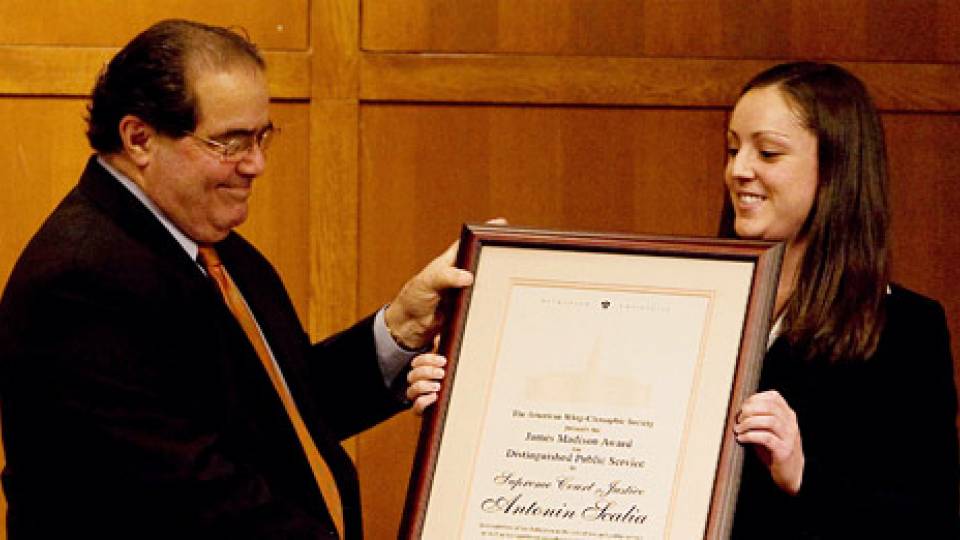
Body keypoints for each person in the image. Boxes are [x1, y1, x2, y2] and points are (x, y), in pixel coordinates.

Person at [0, 19, 467, 540]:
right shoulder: (80, 281)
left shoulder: (209, 244)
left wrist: (402, 325)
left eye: (262, 136)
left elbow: (283, 417)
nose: (257, 164)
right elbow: (191, 497)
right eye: (230, 143)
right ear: (139, 138)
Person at [722, 62, 959, 538]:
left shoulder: (906, 329)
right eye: (732, 148)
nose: (738, 170)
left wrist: (802, 473)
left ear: (835, 168)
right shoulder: (699, 305)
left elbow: (928, 519)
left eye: (767, 152)